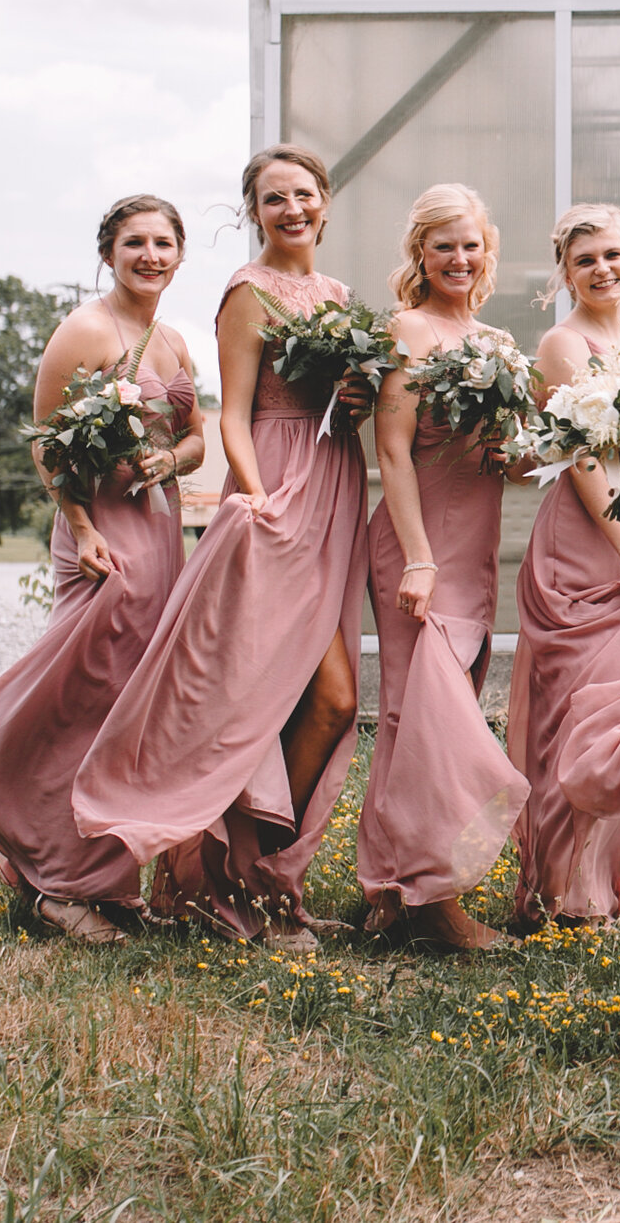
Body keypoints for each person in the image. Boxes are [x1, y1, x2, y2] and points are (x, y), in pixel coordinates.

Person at [74, 145, 372, 951]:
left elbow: (339, 404)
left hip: (335, 478)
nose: (292, 209)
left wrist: (356, 397)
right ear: (254, 212)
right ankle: (241, 883)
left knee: (320, 700)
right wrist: (255, 490)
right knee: (274, 693)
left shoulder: (339, 296)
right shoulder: (248, 292)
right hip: (275, 489)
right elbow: (233, 411)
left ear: (326, 201)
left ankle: (268, 881)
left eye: (303, 194)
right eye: (273, 199)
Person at [0, 196, 203, 944]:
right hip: (101, 536)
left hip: (158, 532)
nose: (149, 255)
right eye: (133, 243)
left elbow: (197, 440)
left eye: (162, 243)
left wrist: (167, 457)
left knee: (129, 711)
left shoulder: (175, 341)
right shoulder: (84, 330)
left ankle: (108, 881)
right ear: (108, 253)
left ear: (180, 255)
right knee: (82, 704)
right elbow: (47, 445)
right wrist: (82, 526)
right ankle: (58, 883)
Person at [361, 184, 529, 949]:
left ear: (485, 252)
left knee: (424, 715)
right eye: (443, 246)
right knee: (420, 715)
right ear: (420, 255)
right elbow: (390, 450)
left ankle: (392, 891)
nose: (459, 259)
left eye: (471, 245)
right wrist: (420, 559)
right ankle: (435, 898)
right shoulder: (408, 329)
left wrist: (513, 454)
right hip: (417, 542)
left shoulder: (499, 342)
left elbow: (518, 459)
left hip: (476, 539)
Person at [505, 204, 620, 927]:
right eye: (585, 261)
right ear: (565, 273)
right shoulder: (561, 343)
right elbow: (579, 452)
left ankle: (607, 883)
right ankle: (564, 889)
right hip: (590, 538)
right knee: (582, 713)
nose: (602, 270)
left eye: (612, 255)